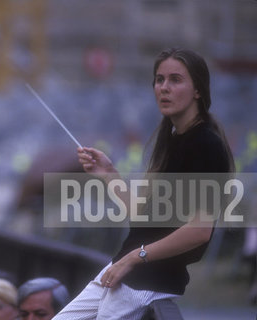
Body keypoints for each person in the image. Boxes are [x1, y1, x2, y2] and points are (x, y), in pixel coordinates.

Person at [53, 48, 234, 319]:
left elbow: (199, 231)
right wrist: (109, 174)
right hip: (126, 271)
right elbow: (146, 218)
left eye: (175, 80)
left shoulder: (205, 144)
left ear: (198, 90)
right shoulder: (174, 140)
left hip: (146, 282)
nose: (164, 88)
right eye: (159, 80)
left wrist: (133, 258)